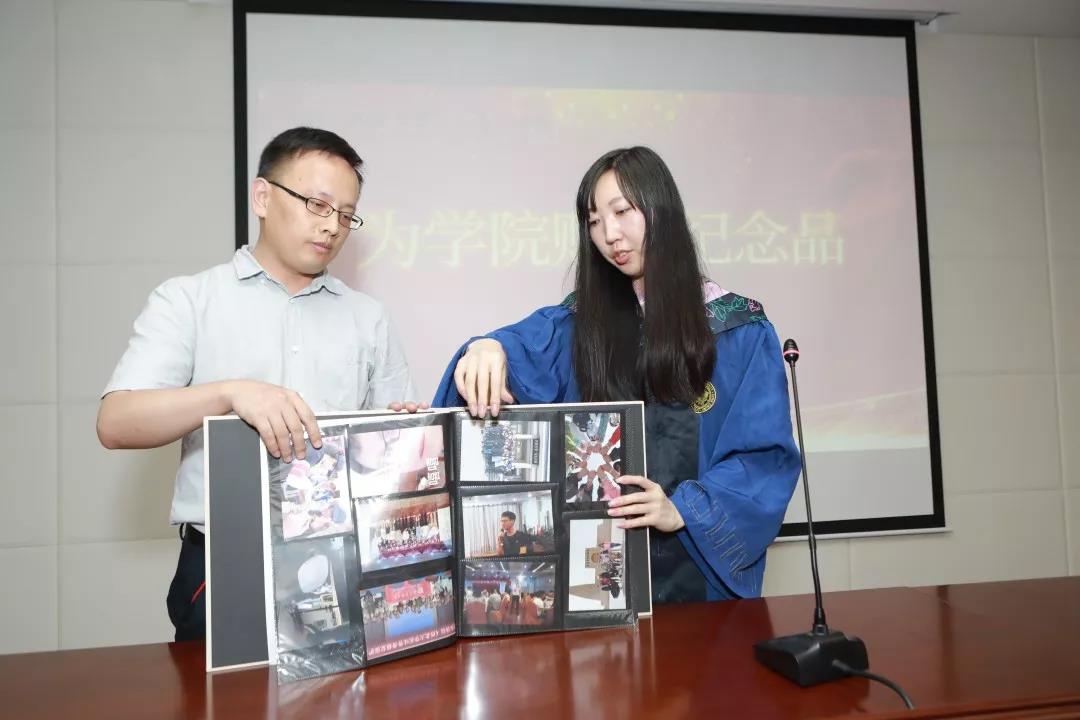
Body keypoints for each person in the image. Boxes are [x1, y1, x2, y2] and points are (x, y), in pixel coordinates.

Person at [435, 146, 800, 603]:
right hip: (596, 584)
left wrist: (683, 510)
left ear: (661, 210)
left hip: (700, 584)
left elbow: (763, 457)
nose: (609, 235)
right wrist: (488, 348)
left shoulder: (737, 330)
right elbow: (521, 352)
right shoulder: (579, 326)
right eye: (594, 221)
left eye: (622, 212)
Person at [97, 127, 421, 641]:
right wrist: (230, 393)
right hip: (225, 562)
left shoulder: (369, 318)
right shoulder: (189, 301)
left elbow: (392, 461)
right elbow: (116, 423)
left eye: (346, 214)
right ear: (263, 197)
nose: (332, 226)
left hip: (341, 560)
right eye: (318, 204)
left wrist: (405, 437)